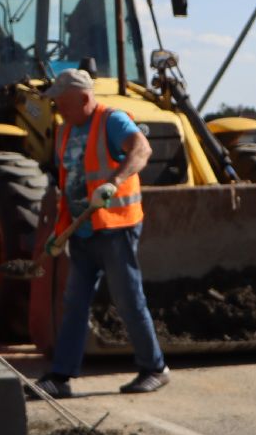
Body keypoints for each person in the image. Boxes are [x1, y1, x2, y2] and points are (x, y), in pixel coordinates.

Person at [34, 67, 169, 398]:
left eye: (62, 103)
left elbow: (142, 149)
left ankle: (154, 367)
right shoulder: (65, 131)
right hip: (81, 232)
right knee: (74, 303)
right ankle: (60, 377)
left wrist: (114, 181)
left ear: (83, 97)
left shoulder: (112, 120)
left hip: (115, 226)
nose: (57, 109)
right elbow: (70, 185)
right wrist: (59, 232)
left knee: (127, 299)